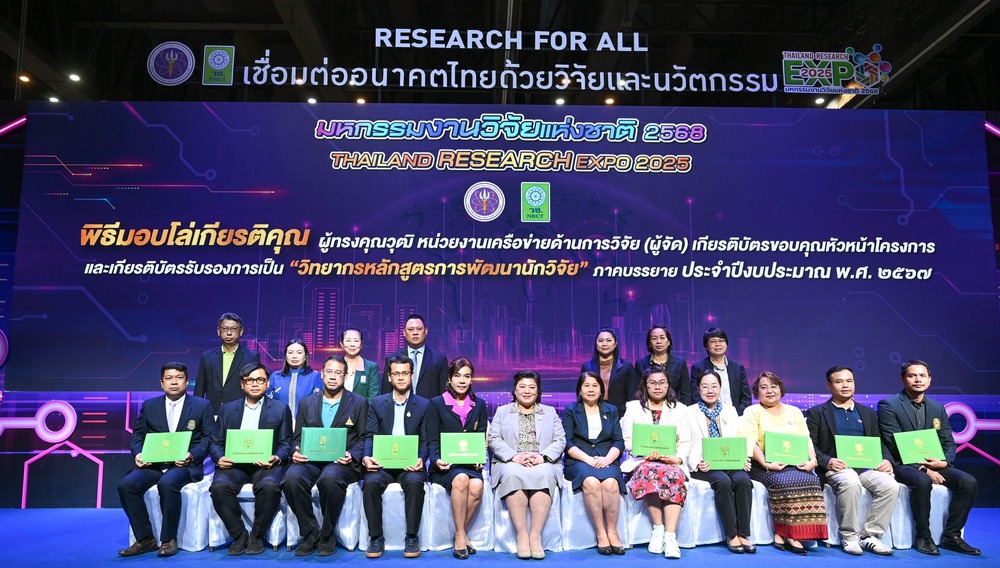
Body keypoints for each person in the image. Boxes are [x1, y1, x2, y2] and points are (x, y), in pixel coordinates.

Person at [877, 360, 980, 555]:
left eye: (922, 375)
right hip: (904, 464)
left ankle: (952, 536)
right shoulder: (889, 405)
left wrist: (944, 461)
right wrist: (924, 469)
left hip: (935, 463)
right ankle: (923, 536)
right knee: (922, 480)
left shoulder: (937, 408)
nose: (918, 379)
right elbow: (892, 443)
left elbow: (948, 441)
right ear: (902, 379)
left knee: (968, 482)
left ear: (929, 380)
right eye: (912, 375)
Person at [117, 362, 216, 558]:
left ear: (187, 382)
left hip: (185, 465)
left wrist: (191, 455)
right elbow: (138, 435)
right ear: (161, 383)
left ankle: (168, 539)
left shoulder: (201, 405)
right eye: (169, 378)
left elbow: (209, 438)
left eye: (179, 378)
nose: (174, 382)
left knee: (168, 482)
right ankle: (145, 539)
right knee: (126, 485)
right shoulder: (150, 406)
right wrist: (138, 454)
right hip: (153, 464)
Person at [281, 355, 368, 556]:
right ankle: (310, 532)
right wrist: (296, 451)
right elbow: (296, 438)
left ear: (345, 376)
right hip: (311, 460)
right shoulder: (306, 403)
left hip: (341, 462)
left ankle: (327, 535)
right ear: (322, 374)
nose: (333, 377)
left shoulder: (359, 403)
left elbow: (364, 437)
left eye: (338, 373)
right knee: (291, 478)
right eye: (329, 372)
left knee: (330, 478)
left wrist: (352, 454)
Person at [806, 366, 896, 556]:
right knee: (850, 480)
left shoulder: (867, 412)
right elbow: (810, 444)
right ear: (829, 386)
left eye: (849, 381)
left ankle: (871, 536)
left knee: (890, 485)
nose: (845, 385)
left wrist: (887, 460)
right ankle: (850, 537)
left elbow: (879, 441)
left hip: (866, 467)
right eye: (839, 381)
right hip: (838, 468)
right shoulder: (817, 412)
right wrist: (827, 461)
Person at [209, 362, 292, 555]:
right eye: (250, 380)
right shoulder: (227, 409)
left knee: (270, 487)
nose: (255, 384)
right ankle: (239, 535)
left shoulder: (280, 409)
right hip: (233, 465)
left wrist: (276, 457)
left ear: (267, 383)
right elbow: (215, 441)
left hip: (266, 465)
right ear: (242, 384)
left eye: (260, 380)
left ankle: (256, 536)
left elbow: (286, 443)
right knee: (219, 488)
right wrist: (219, 458)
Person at [740, 371, 827, 554]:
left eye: (773, 386)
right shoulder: (752, 411)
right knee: (785, 481)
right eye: (764, 387)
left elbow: (805, 439)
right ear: (757, 392)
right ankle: (789, 534)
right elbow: (750, 442)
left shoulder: (794, 411)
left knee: (811, 479)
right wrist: (766, 464)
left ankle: (792, 533)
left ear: (781, 389)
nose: (769, 391)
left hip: (794, 462)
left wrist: (813, 460)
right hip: (763, 464)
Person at [489, 370, 566, 560]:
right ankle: (522, 535)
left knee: (544, 473)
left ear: (538, 391)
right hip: (511, 461)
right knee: (513, 473)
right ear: (514, 390)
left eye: (532, 387)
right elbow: (494, 439)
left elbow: (560, 440)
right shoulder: (502, 411)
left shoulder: (549, 412)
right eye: (522, 387)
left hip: (542, 460)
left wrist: (542, 457)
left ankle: (535, 536)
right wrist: (514, 456)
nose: (527, 391)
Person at [362, 354, 431, 559]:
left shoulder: (424, 404)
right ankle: (376, 537)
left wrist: (421, 459)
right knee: (370, 483)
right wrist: (366, 457)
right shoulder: (377, 403)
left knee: (415, 482)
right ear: (389, 377)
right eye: (396, 373)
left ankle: (411, 537)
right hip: (382, 464)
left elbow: (426, 440)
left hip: (409, 465)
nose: (401, 377)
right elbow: (370, 435)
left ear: (412, 376)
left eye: (405, 373)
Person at [621, 366, 691, 559]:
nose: (657, 387)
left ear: (668, 385)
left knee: (672, 474)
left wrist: (677, 458)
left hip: (671, 461)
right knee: (650, 471)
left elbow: (685, 441)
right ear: (645, 385)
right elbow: (627, 440)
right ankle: (658, 529)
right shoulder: (633, 407)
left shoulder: (680, 409)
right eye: (652, 383)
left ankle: (670, 536)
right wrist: (644, 451)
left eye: (662, 383)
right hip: (642, 460)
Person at [426, 357, 488, 559]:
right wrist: (436, 459)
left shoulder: (479, 404)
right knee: (461, 479)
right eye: (458, 376)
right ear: (450, 378)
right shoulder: (436, 403)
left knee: (477, 485)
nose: (462, 380)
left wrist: (480, 456)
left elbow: (480, 435)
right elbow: (432, 438)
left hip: (469, 462)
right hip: (446, 465)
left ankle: (459, 532)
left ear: (471, 379)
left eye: (467, 376)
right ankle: (461, 537)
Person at [686, 370, 754, 554]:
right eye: (705, 386)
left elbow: (739, 438)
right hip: (705, 464)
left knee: (743, 480)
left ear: (721, 388)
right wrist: (696, 462)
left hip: (730, 461)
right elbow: (685, 441)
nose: (710, 390)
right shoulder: (689, 412)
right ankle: (731, 535)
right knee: (723, 482)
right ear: (698, 389)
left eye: (714, 386)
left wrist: (743, 458)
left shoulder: (730, 410)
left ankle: (744, 534)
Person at [562, 370, 626, 555]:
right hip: (579, 460)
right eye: (586, 386)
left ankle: (612, 532)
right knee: (591, 482)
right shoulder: (571, 410)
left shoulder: (611, 410)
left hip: (607, 459)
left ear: (601, 390)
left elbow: (618, 441)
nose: (591, 390)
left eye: (595, 386)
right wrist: (589, 459)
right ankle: (601, 533)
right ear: (579, 390)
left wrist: (607, 459)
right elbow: (567, 442)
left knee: (611, 483)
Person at [194, 312, 262, 413]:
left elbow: (254, 387)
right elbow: (199, 389)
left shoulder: (252, 357)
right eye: (225, 328)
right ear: (218, 331)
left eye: (234, 329)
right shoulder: (207, 357)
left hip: (240, 412)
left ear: (241, 331)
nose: (229, 333)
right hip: (212, 412)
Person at [380, 314, 448, 399]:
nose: (415, 333)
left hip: (430, 406)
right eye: (411, 329)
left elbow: (444, 394)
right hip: (400, 406)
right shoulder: (392, 358)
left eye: (419, 329)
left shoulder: (439, 359)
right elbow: (386, 392)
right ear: (404, 332)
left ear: (426, 331)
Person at [690, 328, 751, 415]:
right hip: (708, 416)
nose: (718, 344)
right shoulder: (698, 368)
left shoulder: (738, 367)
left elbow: (746, 397)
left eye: (721, 341)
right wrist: (709, 415)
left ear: (726, 344)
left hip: (736, 416)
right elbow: (695, 397)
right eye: (713, 341)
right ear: (706, 346)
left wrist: (737, 415)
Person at [580, 327, 636, 416]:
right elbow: (582, 393)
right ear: (596, 344)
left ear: (615, 343)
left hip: (620, 414)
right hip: (593, 412)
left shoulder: (626, 366)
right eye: (600, 340)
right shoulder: (587, 367)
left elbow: (632, 395)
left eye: (609, 340)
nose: (604, 344)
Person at [635, 325, 692, 405]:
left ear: (668, 342)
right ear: (649, 343)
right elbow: (638, 391)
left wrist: (684, 410)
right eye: (654, 338)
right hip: (647, 407)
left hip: (673, 407)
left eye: (662, 338)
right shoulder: (640, 363)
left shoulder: (680, 362)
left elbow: (685, 392)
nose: (659, 341)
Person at [267, 339, 320, 423]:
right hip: (279, 423)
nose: (294, 356)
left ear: (306, 356)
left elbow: (319, 405)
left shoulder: (315, 376)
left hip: (306, 424)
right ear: (285, 356)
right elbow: (267, 403)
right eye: (290, 352)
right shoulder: (275, 376)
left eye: (299, 352)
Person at [341, 327, 380, 402]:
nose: (352, 344)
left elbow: (373, 396)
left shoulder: (371, 367)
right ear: (342, 344)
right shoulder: (336, 366)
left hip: (361, 409)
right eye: (348, 340)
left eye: (356, 341)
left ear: (361, 344)